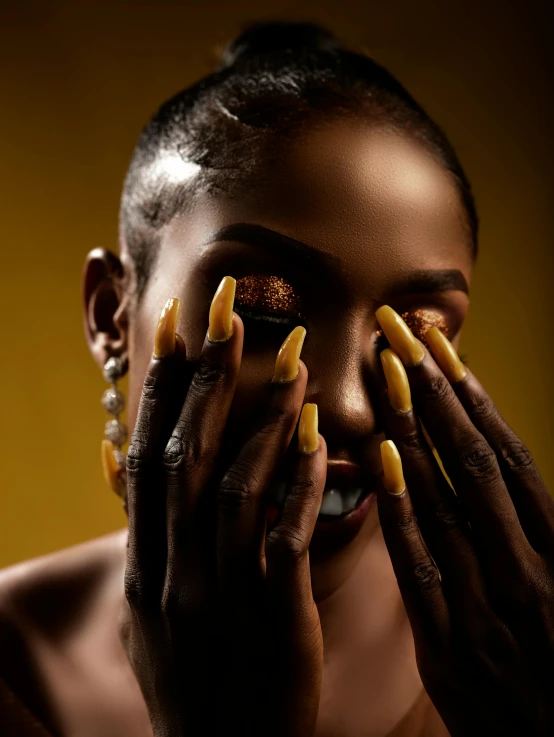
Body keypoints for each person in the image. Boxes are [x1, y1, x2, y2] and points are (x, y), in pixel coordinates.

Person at [1, 19, 553, 737]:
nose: (353, 408)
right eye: (264, 308)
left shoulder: (524, 664)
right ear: (111, 311)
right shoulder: (17, 661)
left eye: (416, 336)